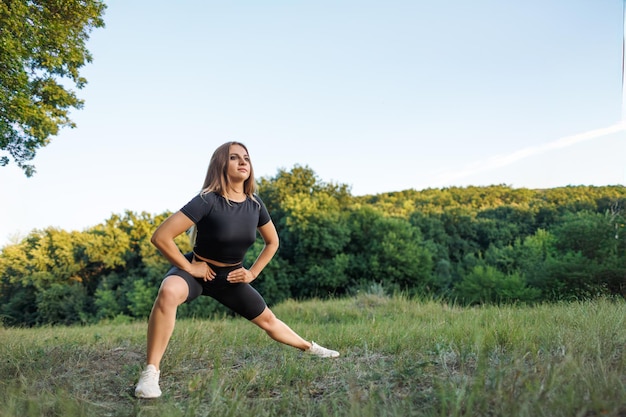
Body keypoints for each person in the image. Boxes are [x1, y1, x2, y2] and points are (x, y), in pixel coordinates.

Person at [135, 141, 339, 399]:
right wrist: (189, 267)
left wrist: (252, 273)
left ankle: (310, 348)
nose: (243, 162)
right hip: (199, 272)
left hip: (230, 277)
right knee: (168, 291)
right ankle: (151, 373)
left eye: (246, 157)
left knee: (269, 321)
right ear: (222, 164)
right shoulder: (206, 200)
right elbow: (161, 236)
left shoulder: (255, 204)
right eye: (234, 157)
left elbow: (272, 242)